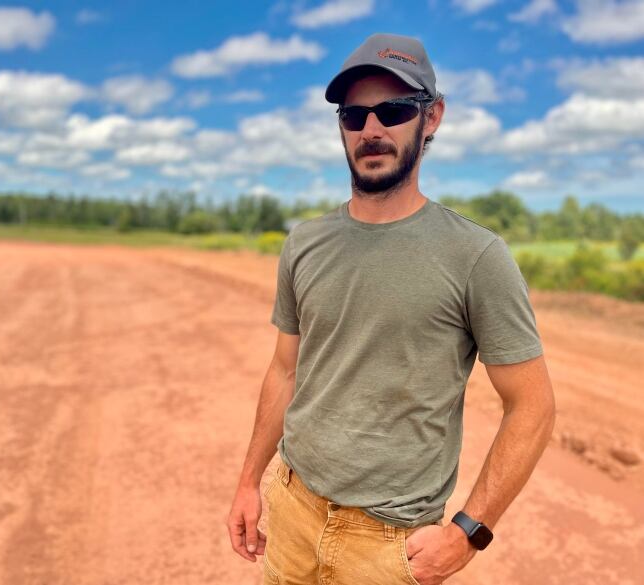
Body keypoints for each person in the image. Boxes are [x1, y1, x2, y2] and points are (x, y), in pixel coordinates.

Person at [226, 33, 556, 585]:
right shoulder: (305, 243)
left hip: (388, 545)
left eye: (394, 110)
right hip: (292, 508)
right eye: (354, 115)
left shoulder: (475, 256)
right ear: (341, 128)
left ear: (432, 118)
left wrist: (468, 533)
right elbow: (285, 369)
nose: (371, 130)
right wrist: (247, 481)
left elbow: (534, 407)